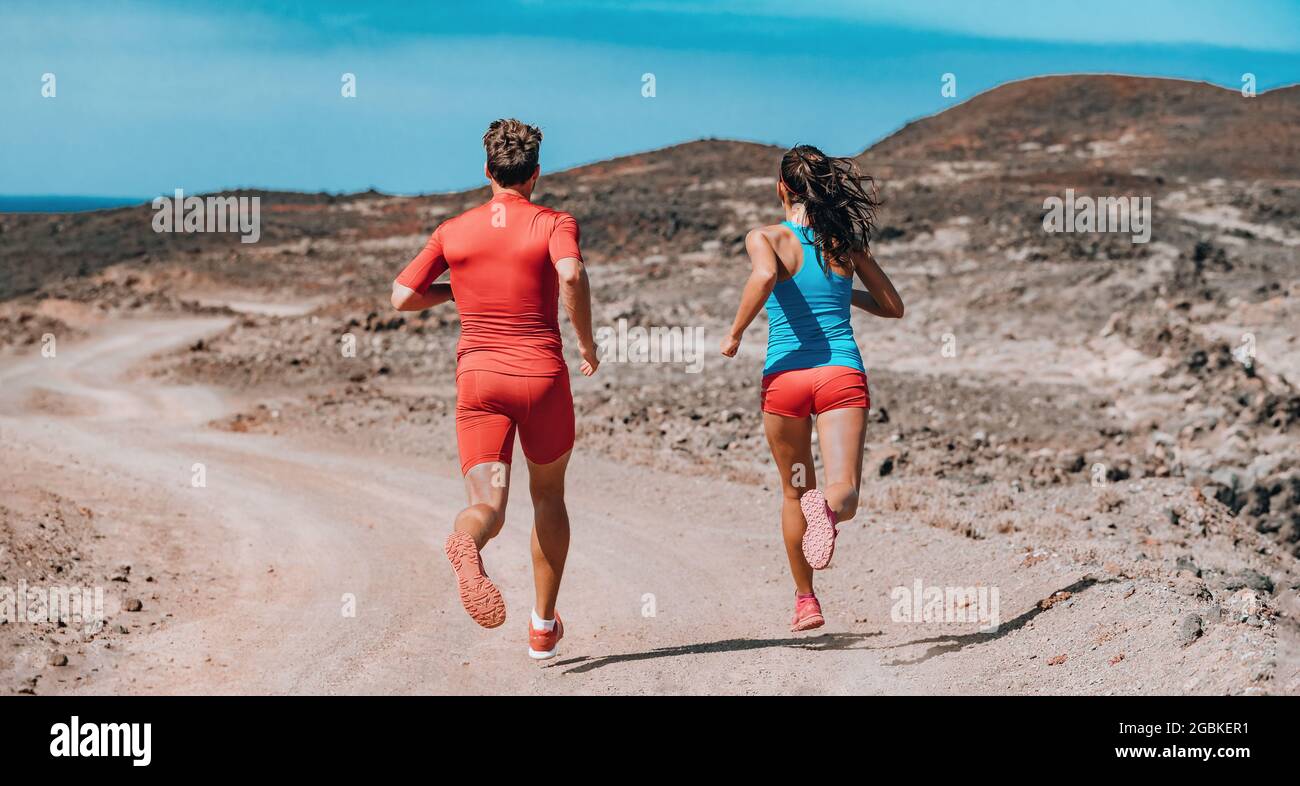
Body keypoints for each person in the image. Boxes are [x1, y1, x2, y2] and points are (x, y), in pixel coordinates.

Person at [390, 118, 599, 659]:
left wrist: (456, 291)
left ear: (487, 171)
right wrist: (587, 344)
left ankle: (470, 540)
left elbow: (401, 296)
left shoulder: (453, 230)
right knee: (548, 496)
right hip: (540, 377)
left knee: (489, 503)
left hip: (480, 381)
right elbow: (571, 275)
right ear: (535, 174)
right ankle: (542, 624)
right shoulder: (555, 222)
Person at [720, 144, 904, 632]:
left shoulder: (765, 236)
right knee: (843, 489)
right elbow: (893, 305)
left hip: (785, 380)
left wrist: (735, 332)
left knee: (791, 491)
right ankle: (826, 508)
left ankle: (806, 601)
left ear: (782, 187)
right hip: (840, 375)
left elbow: (763, 276)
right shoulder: (843, 243)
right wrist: (844, 293)